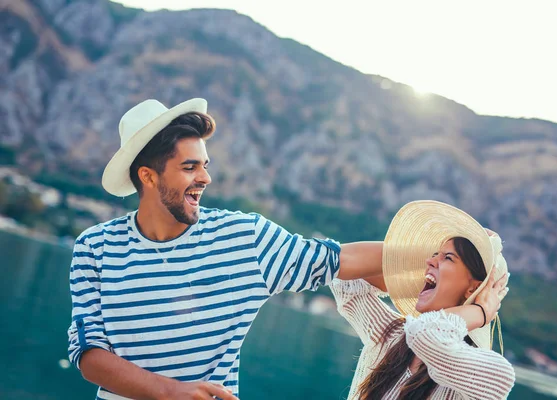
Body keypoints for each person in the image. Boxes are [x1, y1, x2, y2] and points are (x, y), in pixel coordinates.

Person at [67, 98, 384, 400]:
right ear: (148, 176)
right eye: (189, 167)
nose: (205, 177)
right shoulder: (95, 248)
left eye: (204, 165)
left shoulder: (245, 237)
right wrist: (172, 393)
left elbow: (339, 257)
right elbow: (89, 354)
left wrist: (429, 249)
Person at [330, 200, 515, 400]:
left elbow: (425, 333)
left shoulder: (492, 376)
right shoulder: (393, 336)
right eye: (434, 254)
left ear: (474, 288)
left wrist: (481, 311)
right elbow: (341, 278)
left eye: (448, 258)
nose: (429, 260)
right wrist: (412, 263)